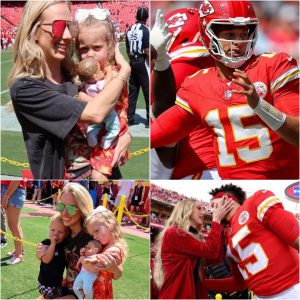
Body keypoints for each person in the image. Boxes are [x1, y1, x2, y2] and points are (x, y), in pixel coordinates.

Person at [151, 0, 299, 179]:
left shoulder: (274, 65)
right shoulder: (197, 84)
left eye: (243, 33)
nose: (239, 42)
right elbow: (158, 133)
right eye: (230, 34)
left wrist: (260, 106)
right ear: (207, 34)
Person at [8, 0, 131, 179]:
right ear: (34, 31)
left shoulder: (74, 73)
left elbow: (112, 114)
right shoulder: (25, 89)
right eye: (58, 26)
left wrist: (126, 136)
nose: (67, 36)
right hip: (68, 187)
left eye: (70, 26)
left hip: (106, 173)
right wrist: (124, 72)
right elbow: (96, 113)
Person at [150, 7, 218, 180]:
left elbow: (163, 112)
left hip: (196, 171)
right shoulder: (233, 69)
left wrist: (161, 62)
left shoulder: (174, 72)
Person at [206, 183, 299, 299]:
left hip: (290, 291)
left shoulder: (254, 202)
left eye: (213, 204)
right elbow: (239, 283)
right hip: (259, 296)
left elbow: (295, 235)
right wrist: (203, 283)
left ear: (226, 198)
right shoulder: (226, 236)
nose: (211, 209)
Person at [74, 8, 129, 180]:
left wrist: (83, 97)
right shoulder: (80, 74)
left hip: (110, 136)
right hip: (93, 138)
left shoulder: (113, 72)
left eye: (97, 47)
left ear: (110, 47)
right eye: (84, 49)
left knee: (99, 176)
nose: (90, 54)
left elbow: (102, 104)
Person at [153, 198, 234, 299]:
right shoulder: (173, 233)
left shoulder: (192, 236)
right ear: (187, 210)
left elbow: (216, 257)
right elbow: (211, 251)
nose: (203, 213)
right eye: (199, 208)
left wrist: (221, 226)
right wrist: (216, 220)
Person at [84, 207, 128, 299]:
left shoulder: (115, 249)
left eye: (96, 231)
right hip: (96, 290)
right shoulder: (104, 245)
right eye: (93, 234)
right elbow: (116, 274)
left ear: (110, 224)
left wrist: (83, 259)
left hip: (100, 293)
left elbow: (96, 265)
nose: (95, 237)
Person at [126, 6, 150, 127]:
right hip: (142, 61)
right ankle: (148, 119)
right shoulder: (145, 30)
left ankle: (129, 117)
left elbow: (127, 48)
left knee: (133, 90)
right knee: (147, 90)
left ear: (136, 16)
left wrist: (132, 61)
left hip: (133, 61)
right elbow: (147, 50)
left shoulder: (130, 29)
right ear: (147, 17)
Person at [37, 213, 70, 299]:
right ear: (49, 229)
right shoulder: (46, 243)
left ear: (66, 234)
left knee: (55, 296)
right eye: (53, 230)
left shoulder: (64, 245)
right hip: (45, 283)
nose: (55, 234)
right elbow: (46, 260)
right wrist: (53, 244)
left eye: (60, 232)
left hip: (57, 283)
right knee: (50, 297)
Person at [1, 180, 26, 265]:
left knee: (13, 225)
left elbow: (17, 179)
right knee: (16, 225)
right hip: (12, 190)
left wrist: (6, 196)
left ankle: (19, 255)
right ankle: (19, 251)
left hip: (13, 191)